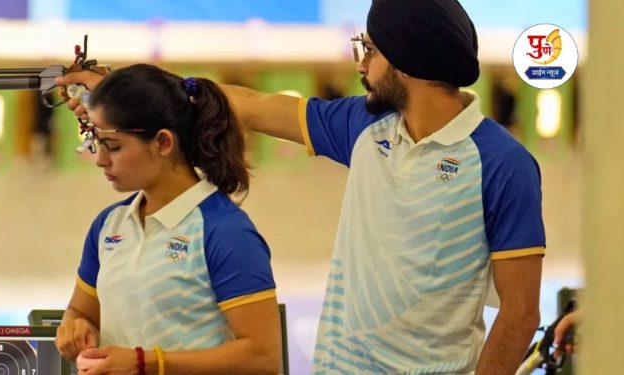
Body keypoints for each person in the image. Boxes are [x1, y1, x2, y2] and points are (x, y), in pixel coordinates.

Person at [56, 1, 546, 373]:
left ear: (406, 60)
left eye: (370, 52)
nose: (361, 66)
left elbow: (521, 314)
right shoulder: (364, 127)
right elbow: (251, 104)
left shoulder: (503, 164)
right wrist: (120, 86)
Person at [54, 64, 281, 375]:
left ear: (162, 142)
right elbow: (82, 310)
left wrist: (146, 363)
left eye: (113, 146)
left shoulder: (225, 231)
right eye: (97, 143)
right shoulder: (109, 224)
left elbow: (262, 357)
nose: (100, 159)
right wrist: (74, 327)